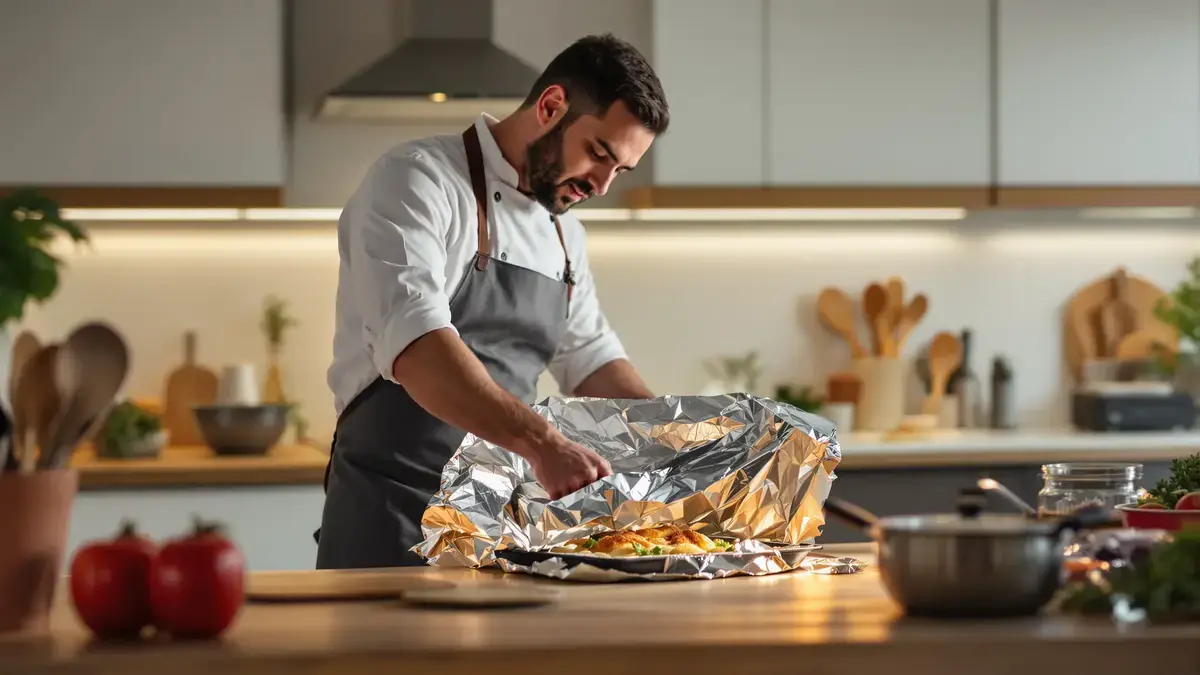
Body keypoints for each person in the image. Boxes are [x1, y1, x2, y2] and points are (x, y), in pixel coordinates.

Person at [315, 34, 670, 569]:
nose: (601, 185)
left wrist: (677, 442)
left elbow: (591, 361)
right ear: (551, 106)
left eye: (619, 170)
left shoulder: (563, 235)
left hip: (499, 528)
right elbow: (418, 348)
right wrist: (544, 444)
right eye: (599, 154)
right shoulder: (418, 181)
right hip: (390, 518)